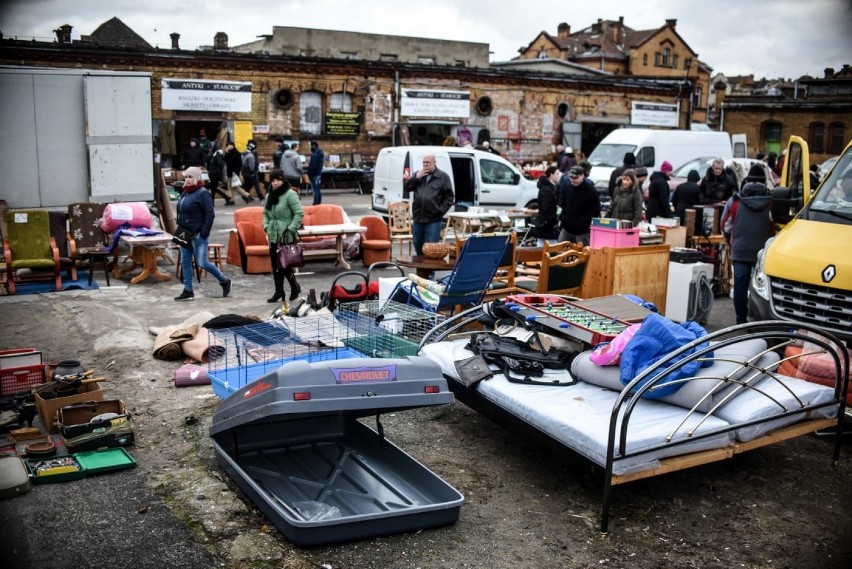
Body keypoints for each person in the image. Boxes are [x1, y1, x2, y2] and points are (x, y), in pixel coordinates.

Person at [174, 166, 231, 301]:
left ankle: (224, 281)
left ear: (197, 178)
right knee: (185, 262)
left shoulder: (202, 193)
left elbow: (210, 214)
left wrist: (204, 232)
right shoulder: (185, 192)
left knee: (202, 263)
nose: (187, 180)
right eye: (186, 177)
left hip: (198, 233)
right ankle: (188, 290)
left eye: (190, 177)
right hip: (183, 231)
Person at [729, 180, 775, 324]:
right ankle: (758, 321)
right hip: (764, 253)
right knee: (762, 289)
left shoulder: (736, 202)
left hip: (740, 250)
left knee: (740, 287)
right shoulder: (771, 204)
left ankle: (741, 320)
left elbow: (726, 225)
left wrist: (731, 241)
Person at [262, 169, 304, 303]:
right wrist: (266, 226)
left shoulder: (290, 194)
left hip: (286, 234)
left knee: (284, 263)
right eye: (273, 181)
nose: (275, 183)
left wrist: (291, 229)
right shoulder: (270, 195)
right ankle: (279, 291)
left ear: (283, 180)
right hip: (273, 233)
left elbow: (298, 213)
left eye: (278, 180)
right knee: (275, 264)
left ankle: (294, 286)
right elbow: (265, 213)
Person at [404, 153, 454, 255]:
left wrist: (440, 211)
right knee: (417, 244)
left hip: (433, 219)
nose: (425, 165)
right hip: (418, 218)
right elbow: (406, 187)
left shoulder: (443, 177)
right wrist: (416, 177)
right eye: (424, 162)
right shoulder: (418, 175)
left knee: (431, 248)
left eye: (428, 162)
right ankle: (421, 270)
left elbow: (449, 197)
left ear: (434, 163)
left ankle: (430, 271)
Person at [558, 165, 600, 246]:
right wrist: (563, 219)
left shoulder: (590, 191)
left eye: (575, 178)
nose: (573, 180)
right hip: (567, 227)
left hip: (582, 231)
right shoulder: (568, 188)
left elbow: (595, 211)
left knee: (582, 254)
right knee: (558, 250)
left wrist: (582, 222)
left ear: (582, 176)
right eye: (571, 178)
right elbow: (564, 205)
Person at [529, 166, 560, 246]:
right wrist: (553, 220)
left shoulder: (548, 187)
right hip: (547, 223)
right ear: (551, 175)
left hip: (545, 222)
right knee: (548, 245)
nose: (558, 176)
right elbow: (545, 208)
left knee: (543, 244)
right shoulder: (547, 189)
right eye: (557, 174)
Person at [307, 140, 324, 205]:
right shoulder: (320, 153)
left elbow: (313, 165)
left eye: (310, 146)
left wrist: (309, 172)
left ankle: (316, 202)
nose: (309, 148)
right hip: (318, 173)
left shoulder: (315, 155)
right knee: (317, 189)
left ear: (313, 146)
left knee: (314, 189)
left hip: (314, 174)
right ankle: (318, 201)